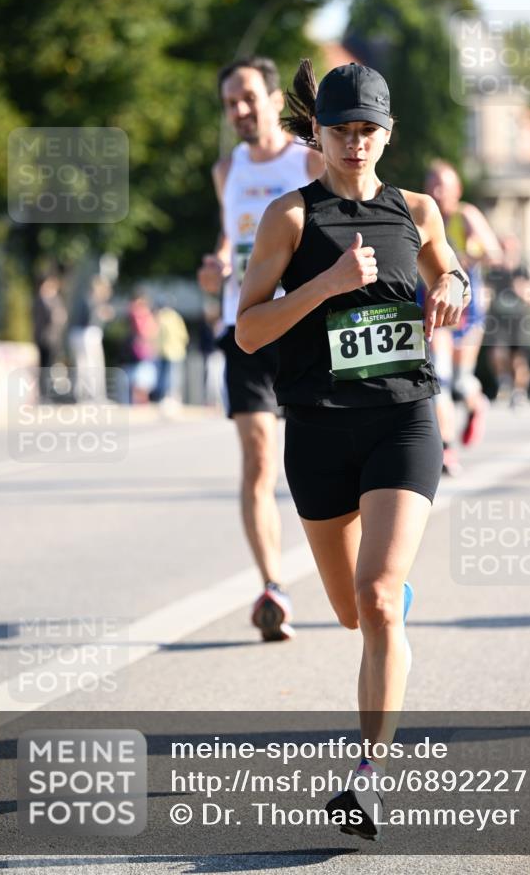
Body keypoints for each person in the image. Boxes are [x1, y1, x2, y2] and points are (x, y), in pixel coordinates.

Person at [235, 60, 470, 839]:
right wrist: (326, 285)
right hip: (318, 431)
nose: (355, 142)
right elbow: (249, 329)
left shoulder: (416, 211)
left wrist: (454, 286)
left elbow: (450, 270)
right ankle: (387, 601)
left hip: (402, 422)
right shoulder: (289, 218)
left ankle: (368, 779)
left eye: (368, 130)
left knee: (375, 599)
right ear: (317, 132)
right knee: (349, 611)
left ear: (387, 134)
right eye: (341, 130)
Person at [198, 56, 323, 642]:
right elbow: (231, 236)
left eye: (248, 97)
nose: (240, 110)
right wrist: (217, 264)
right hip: (245, 327)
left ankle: (363, 568)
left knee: (325, 458)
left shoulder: (310, 160)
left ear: (275, 100)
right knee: (257, 460)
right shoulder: (227, 170)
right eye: (231, 103)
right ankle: (274, 586)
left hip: (305, 328)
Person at [424, 161, 502, 475]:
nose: (436, 191)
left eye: (443, 185)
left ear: (457, 190)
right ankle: (446, 448)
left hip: (468, 309)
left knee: (460, 380)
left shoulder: (465, 216)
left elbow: (495, 254)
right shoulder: (423, 216)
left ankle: (476, 403)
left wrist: (469, 255)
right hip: (435, 307)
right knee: (439, 377)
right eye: (432, 183)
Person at [486, 235, 530, 408]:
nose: (507, 253)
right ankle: (504, 381)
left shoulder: (522, 271)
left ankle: (519, 392)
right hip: (498, 319)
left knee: (519, 359)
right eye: (503, 249)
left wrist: (522, 290)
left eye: (510, 249)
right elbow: (485, 292)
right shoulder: (494, 271)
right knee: (495, 353)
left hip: (518, 321)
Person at [33, 273, 67, 401]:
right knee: (44, 366)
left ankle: (48, 394)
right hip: (43, 338)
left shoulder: (55, 300)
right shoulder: (40, 300)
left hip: (53, 338)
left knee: (50, 366)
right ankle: (43, 395)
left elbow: (61, 317)